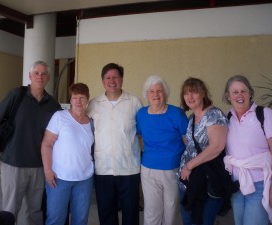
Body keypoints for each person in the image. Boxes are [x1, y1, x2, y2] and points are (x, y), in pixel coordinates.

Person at [0, 61, 61, 225]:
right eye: (36, 73)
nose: (39, 77)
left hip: (39, 166)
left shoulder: (53, 104)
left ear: (48, 77)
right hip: (14, 163)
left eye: (43, 74)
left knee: (35, 211)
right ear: (30, 76)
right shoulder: (16, 95)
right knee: (10, 211)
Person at [223, 75, 272, 225]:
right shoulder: (228, 118)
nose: (239, 95)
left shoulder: (265, 115)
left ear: (250, 93)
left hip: (260, 184)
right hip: (236, 185)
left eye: (243, 91)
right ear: (228, 96)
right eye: (235, 92)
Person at [87, 63, 142, 225]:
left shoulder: (134, 102)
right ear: (103, 81)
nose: (112, 81)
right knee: (106, 212)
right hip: (103, 168)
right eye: (108, 78)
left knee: (131, 212)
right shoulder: (94, 103)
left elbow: (141, 129)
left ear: (122, 80)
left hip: (129, 168)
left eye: (115, 77)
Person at [136, 75, 189, 225]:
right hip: (148, 168)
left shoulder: (177, 113)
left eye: (159, 91)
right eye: (151, 91)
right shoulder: (141, 114)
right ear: (147, 94)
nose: (155, 95)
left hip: (172, 169)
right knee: (152, 210)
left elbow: (187, 141)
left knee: (171, 209)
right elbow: (139, 135)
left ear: (165, 93)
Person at [177, 77, 229, 225]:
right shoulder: (192, 117)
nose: (190, 96)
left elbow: (216, 147)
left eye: (194, 92)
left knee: (204, 220)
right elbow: (190, 143)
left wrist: (189, 166)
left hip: (207, 179)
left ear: (203, 94)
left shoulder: (213, 114)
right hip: (188, 180)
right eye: (186, 93)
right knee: (189, 220)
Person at [41, 83, 94, 225]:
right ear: (70, 100)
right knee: (55, 219)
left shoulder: (91, 122)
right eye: (74, 98)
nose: (78, 101)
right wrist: (47, 170)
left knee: (80, 220)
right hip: (59, 178)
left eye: (82, 98)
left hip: (84, 179)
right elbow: (47, 144)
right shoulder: (59, 117)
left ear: (87, 100)